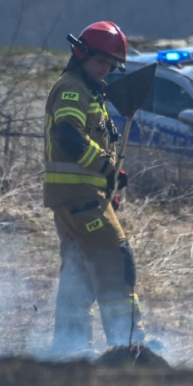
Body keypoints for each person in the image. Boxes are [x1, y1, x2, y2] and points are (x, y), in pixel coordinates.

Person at [43, 20, 150, 356]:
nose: (105, 70)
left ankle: (68, 351)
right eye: (101, 62)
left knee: (79, 276)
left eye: (110, 65)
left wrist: (112, 176)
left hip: (76, 199)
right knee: (116, 261)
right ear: (82, 53)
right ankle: (128, 347)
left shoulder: (87, 89)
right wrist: (106, 166)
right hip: (81, 200)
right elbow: (69, 136)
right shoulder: (73, 88)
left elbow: (84, 145)